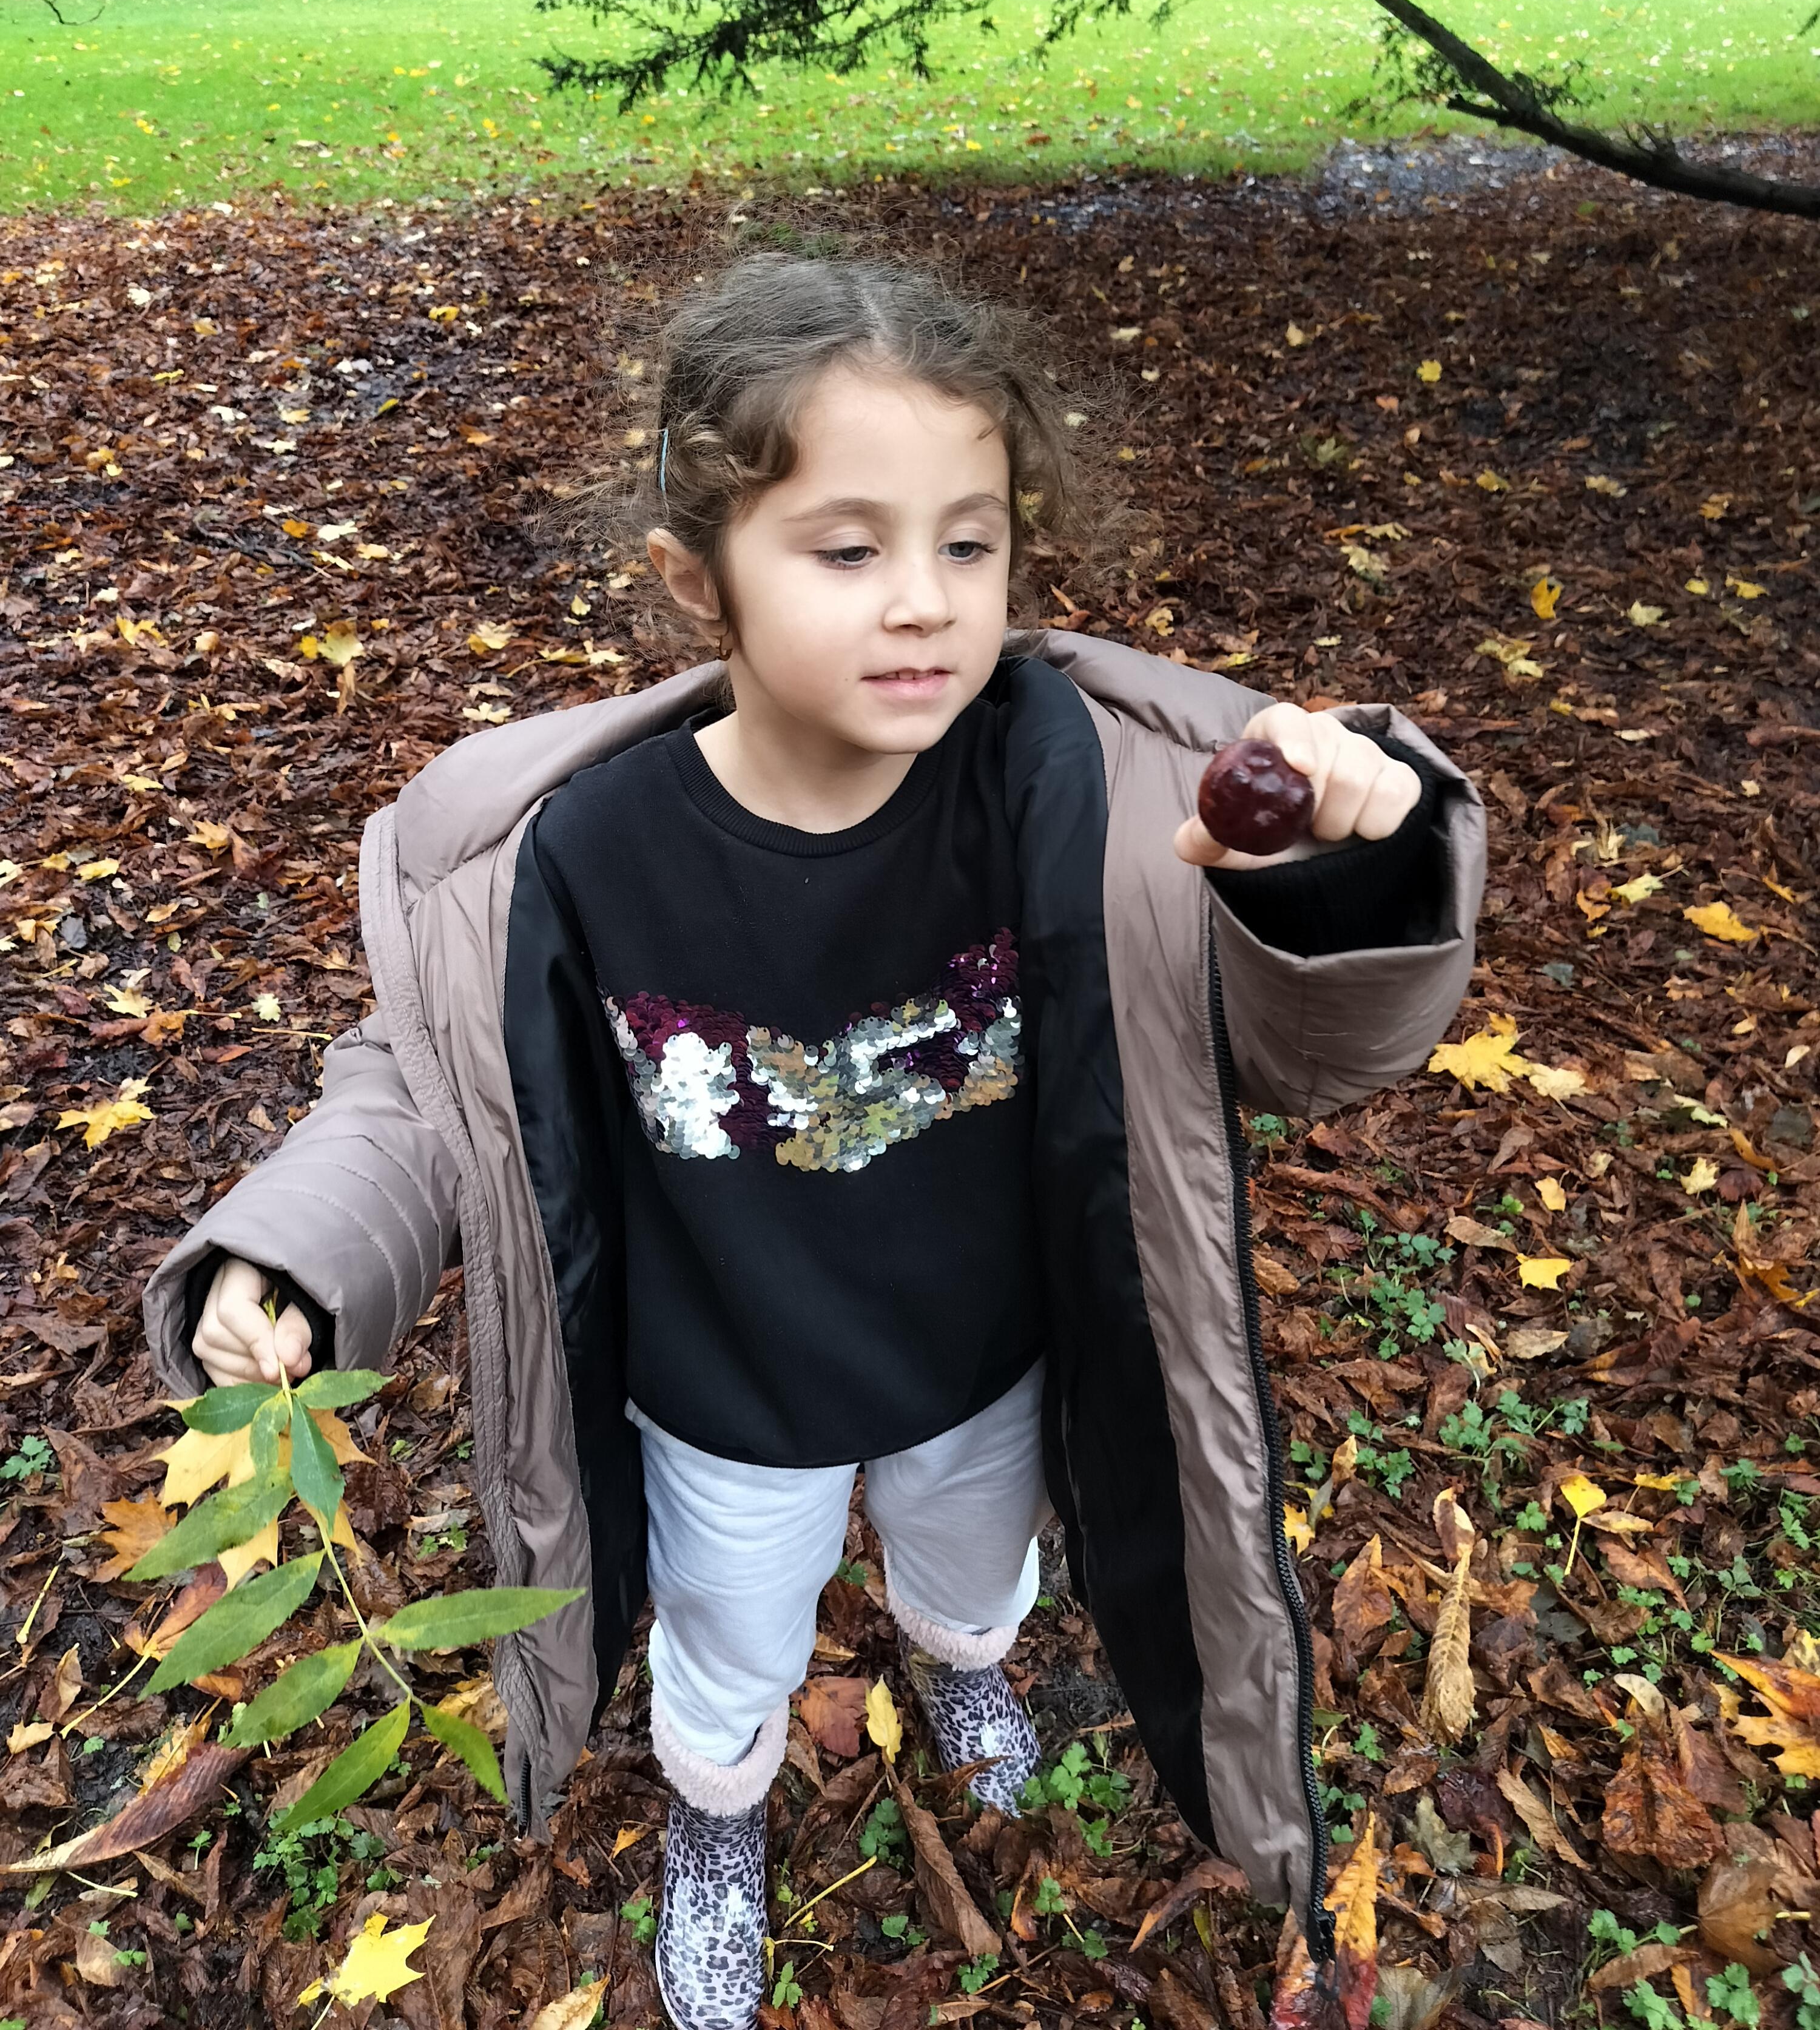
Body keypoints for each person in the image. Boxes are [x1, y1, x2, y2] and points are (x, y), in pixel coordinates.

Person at [143, 253, 1485, 2030]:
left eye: (970, 543)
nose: (924, 602)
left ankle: (964, 1668)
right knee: (731, 1636)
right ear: (696, 580)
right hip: (726, 1389)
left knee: (976, 1571)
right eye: (847, 552)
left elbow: (1305, 1051)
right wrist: (296, 1250)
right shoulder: (581, 853)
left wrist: (1337, 875)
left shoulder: (1080, 798)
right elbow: (429, 1083)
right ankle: (721, 1810)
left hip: (983, 1359)